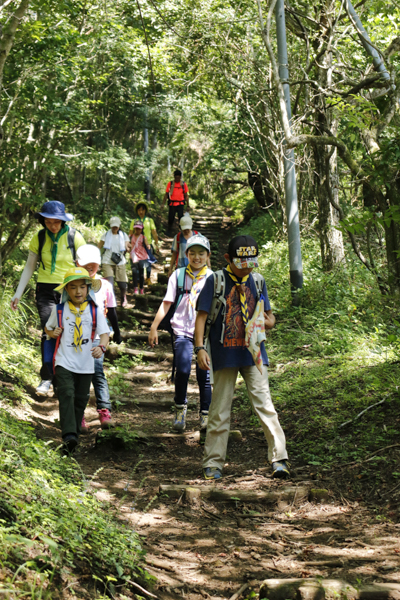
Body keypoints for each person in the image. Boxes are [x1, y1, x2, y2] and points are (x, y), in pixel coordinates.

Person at [194, 235, 290, 480]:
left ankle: (279, 458)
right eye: (241, 262)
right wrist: (200, 349)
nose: (246, 267)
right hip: (224, 352)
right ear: (228, 258)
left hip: (254, 354)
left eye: (251, 262)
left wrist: (268, 322)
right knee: (219, 409)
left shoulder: (257, 281)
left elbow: (270, 316)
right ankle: (213, 463)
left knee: (265, 405)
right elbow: (202, 317)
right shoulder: (215, 281)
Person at [10, 201, 86, 397]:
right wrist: (18, 293)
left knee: (67, 331)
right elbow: (29, 266)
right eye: (48, 221)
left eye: (56, 222)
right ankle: (46, 377)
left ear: (63, 220)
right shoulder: (40, 237)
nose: (52, 226)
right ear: (43, 221)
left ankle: (64, 377)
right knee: (49, 330)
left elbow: (85, 268)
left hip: (69, 289)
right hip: (44, 289)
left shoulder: (75, 237)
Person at [149, 235, 212, 432]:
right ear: (186, 254)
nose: (196, 257)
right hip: (182, 330)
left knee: (205, 375)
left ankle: (205, 415)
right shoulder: (177, 275)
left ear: (207, 256)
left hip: (206, 333)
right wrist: (154, 326)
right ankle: (180, 409)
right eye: (192, 253)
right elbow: (167, 302)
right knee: (183, 370)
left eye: (201, 253)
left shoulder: (212, 277)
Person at [44, 267, 109, 454]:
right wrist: (52, 332)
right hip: (64, 360)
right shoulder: (59, 310)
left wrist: (101, 347)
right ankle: (69, 436)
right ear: (66, 290)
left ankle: (74, 438)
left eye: (82, 287)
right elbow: (48, 329)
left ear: (88, 288)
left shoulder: (94, 311)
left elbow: (104, 334)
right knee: (66, 393)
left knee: (81, 400)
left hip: (86, 364)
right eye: (73, 288)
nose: (78, 291)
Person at [76, 244, 122, 432]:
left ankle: (104, 410)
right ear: (77, 263)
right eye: (86, 264)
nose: (89, 268)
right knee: (79, 375)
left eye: (93, 264)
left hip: (98, 336)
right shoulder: (73, 284)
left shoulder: (105, 286)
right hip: (77, 337)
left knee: (96, 370)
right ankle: (78, 415)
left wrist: (117, 331)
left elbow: (111, 311)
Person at [98, 217, 130, 308]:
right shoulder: (105, 235)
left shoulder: (124, 235)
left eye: (116, 226)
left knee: (122, 284)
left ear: (119, 226)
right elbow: (99, 247)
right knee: (109, 284)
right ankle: (110, 302)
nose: (115, 228)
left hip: (120, 261)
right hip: (107, 261)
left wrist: (128, 248)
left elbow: (127, 245)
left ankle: (123, 297)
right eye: (113, 226)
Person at [128, 201, 159, 283]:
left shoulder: (150, 220)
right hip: (137, 246)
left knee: (149, 262)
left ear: (145, 210)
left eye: (142, 210)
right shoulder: (134, 221)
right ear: (137, 211)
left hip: (147, 244)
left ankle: (148, 278)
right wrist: (128, 244)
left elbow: (154, 233)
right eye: (139, 210)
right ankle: (138, 281)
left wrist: (156, 244)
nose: (141, 212)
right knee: (137, 263)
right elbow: (130, 234)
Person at [162, 169, 190, 236]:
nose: (177, 178)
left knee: (181, 219)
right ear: (174, 177)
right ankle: (169, 231)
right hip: (172, 204)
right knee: (171, 218)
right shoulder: (170, 184)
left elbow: (186, 195)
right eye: (176, 177)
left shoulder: (183, 184)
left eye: (178, 177)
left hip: (180, 204)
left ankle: (183, 232)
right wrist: (163, 204)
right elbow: (166, 194)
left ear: (180, 177)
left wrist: (188, 205)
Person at [130, 221, 150, 295]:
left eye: (139, 229)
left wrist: (148, 246)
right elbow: (128, 245)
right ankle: (135, 288)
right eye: (136, 229)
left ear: (142, 229)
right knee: (134, 272)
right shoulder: (131, 236)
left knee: (141, 273)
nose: (137, 230)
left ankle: (141, 288)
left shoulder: (144, 237)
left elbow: (147, 244)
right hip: (133, 256)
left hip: (142, 257)